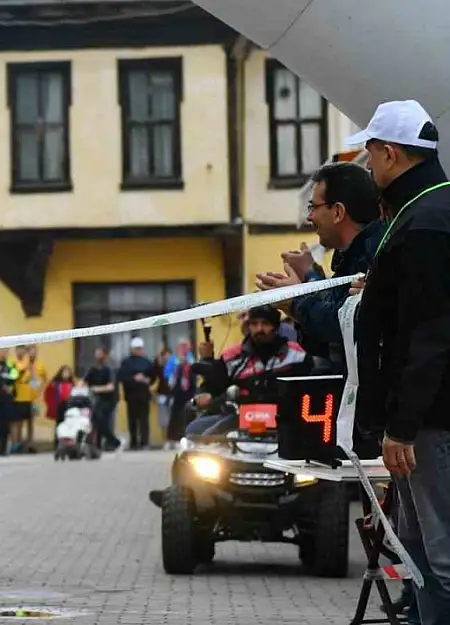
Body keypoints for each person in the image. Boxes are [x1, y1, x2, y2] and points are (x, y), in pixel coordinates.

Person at [348, 100, 450, 624]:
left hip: (430, 421)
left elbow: (430, 334)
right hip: (419, 420)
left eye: (370, 157)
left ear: (390, 153)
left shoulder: (428, 221)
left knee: (440, 556)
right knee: (418, 551)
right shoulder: (422, 212)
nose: (368, 170)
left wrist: (403, 426)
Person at [256, 161, 383, 375]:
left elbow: (342, 322)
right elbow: (327, 344)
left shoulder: (376, 255)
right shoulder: (349, 259)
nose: (309, 217)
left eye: (313, 207)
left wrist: (298, 296)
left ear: (338, 212)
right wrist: (293, 309)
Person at [187, 305, 313, 436]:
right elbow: (214, 385)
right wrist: (206, 393)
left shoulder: (297, 354)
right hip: (239, 419)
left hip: (287, 419)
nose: (260, 329)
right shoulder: (231, 357)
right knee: (195, 430)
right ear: (249, 326)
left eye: (265, 323)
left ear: (275, 327)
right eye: (255, 324)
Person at [117, 337, 156, 450]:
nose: (139, 350)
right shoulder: (126, 362)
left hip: (144, 395)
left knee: (144, 420)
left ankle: (145, 442)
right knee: (132, 420)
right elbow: (122, 376)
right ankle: (133, 443)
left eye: (140, 348)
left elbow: (152, 376)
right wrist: (134, 378)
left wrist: (147, 380)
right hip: (131, 395)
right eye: (136, 348)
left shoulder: (147, 362)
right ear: (132, 349)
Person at [84, 346, 120, 451]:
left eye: (100, 353)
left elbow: (111, 387)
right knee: (96, 420)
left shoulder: (109, 368)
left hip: (109, 400)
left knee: (103, 421)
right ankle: (100, 443)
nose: (98, 355)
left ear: (104, 355)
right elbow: (85, 381)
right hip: (96, 401)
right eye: (96, 353)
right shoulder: (93, 369)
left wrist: (96, 389)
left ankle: (112, 442)